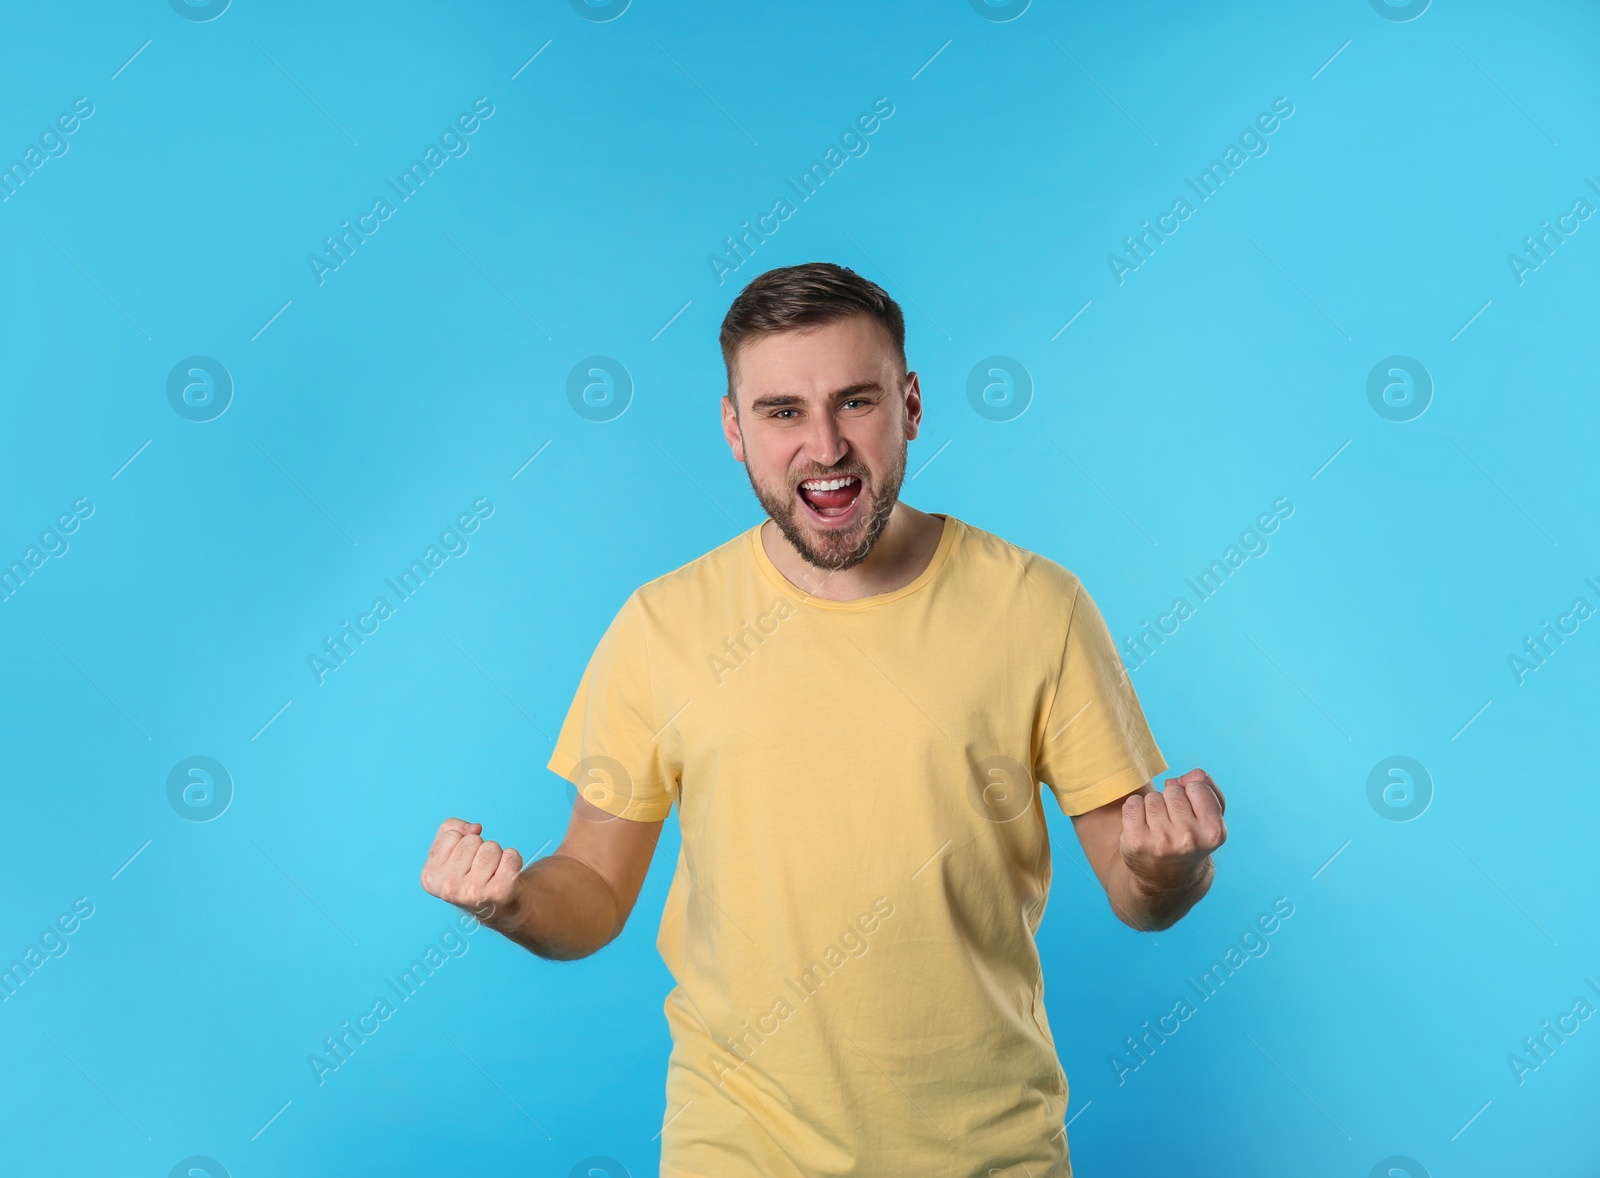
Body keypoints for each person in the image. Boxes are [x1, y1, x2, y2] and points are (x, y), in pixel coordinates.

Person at [419, 261, 1227, 1176]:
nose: (826, 445)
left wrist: (1174, 866)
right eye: (782, 412)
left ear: (910, 405)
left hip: (989, 1153)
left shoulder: (1037, 606)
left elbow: (1137, 892)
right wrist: (516, 903)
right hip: (738, 1150)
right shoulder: (662, 626)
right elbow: (596, 892)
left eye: (856, 402)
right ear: (734, 427)